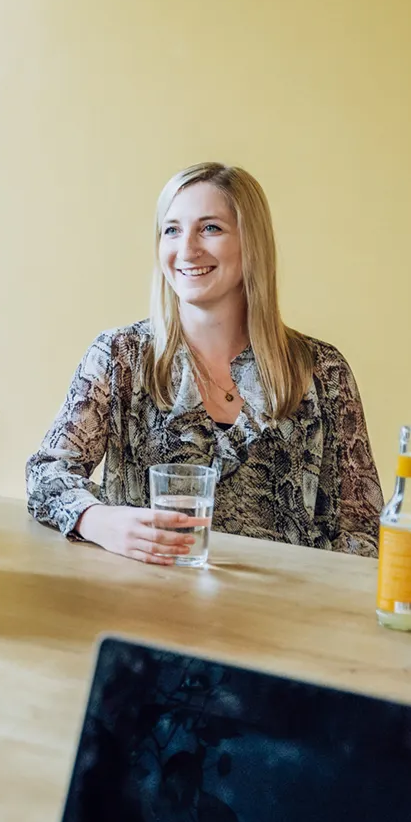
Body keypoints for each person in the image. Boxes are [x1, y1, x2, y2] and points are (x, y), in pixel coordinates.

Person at [26, 163, 385, 563]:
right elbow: (45, 475)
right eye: (172, 230)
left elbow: (364, 529)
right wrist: (99, 520)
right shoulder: (119, 356)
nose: (187, 249)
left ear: (252, 244)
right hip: (147, 604)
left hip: (283, 615)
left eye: (210, 228)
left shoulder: (322, 370)